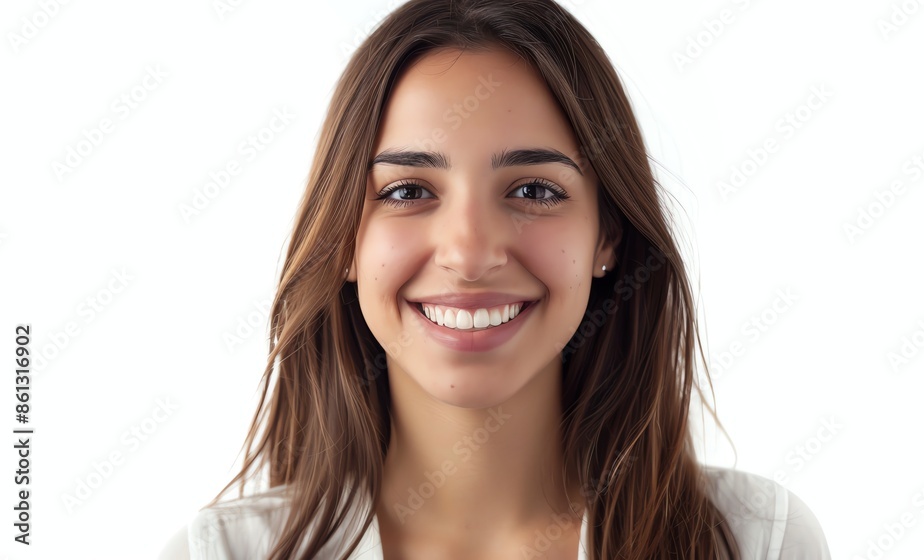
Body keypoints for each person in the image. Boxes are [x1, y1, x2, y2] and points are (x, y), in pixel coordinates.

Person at [160, 0, 832, 558]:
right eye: (405, 191)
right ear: (343, 242)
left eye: (535, 189)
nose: (470, 251)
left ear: (608, 237)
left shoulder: (756, 543)